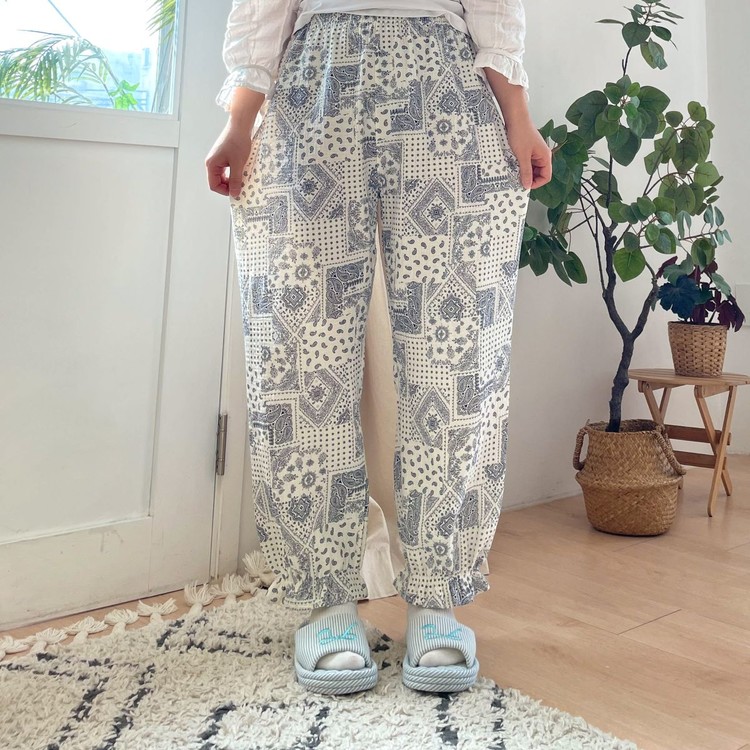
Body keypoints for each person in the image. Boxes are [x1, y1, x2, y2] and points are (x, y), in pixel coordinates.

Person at [205, 0, 551, 696]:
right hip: (315, 82)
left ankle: (436, 599)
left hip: (447, 83)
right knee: (299, 345)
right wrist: (240, 119)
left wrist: (516, 111)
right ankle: (326, 600)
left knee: (456, 352)